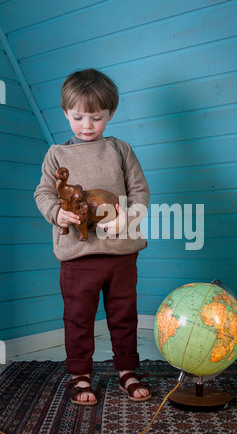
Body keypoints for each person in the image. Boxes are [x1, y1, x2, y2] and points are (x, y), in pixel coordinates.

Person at [34, 69, 151, 405]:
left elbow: (140, 191)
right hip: (77, 255)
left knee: (124, 314)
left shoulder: (120, 150)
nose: (87, 126)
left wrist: (128, 216)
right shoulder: (57, 154)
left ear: (110, 114)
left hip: (121, 254)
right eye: (78, 117)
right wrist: (57, 213)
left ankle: (127, 370)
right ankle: (80, 374)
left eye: (96, 118)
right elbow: (43, 193)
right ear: (65, 113)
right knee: (78, 317)